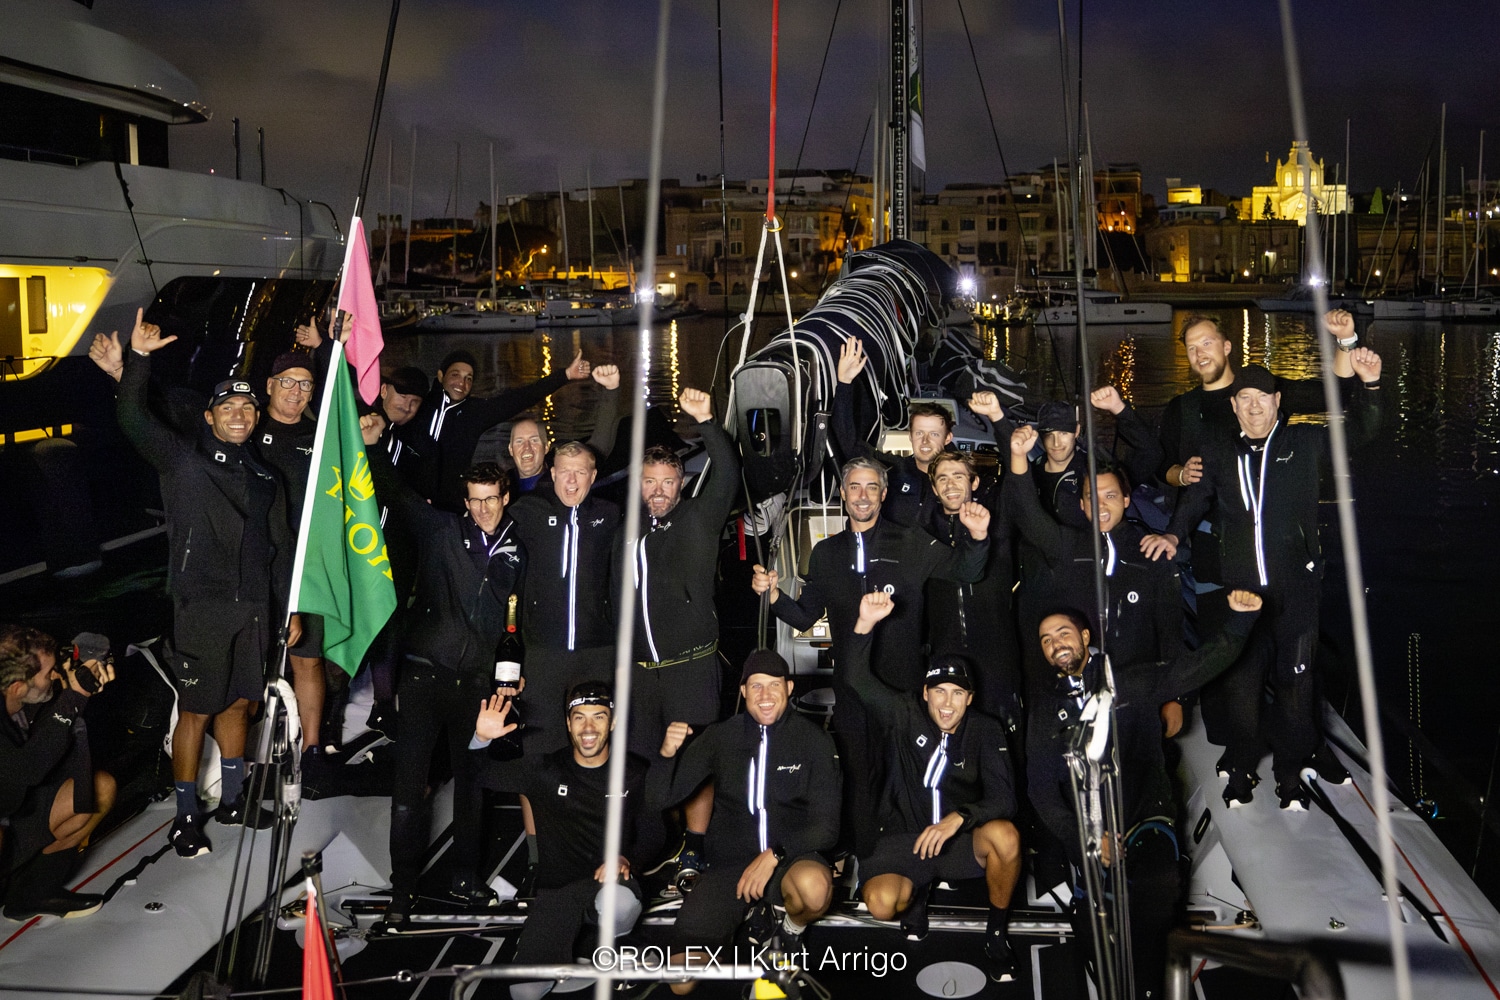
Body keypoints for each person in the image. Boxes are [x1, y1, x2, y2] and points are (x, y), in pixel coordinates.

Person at [1144, 351, 1384, 809]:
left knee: (1296, 683)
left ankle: (1290, 774)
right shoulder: (1217, 449)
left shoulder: (1304, 441)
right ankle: (1241, 765)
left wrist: (1370, 386)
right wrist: (1173, 534)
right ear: (1234, 406)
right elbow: (1196, 499)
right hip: (1242, 594)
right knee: (1242, 684)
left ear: (1277, 401)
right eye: (1245, 399)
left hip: (1297, 592)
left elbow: (1362, 431)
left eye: (1262, 398)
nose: (1254, 406)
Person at [101, 312, 294, 858]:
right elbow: (134, 419)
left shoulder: (265, 475)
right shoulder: (183, 461)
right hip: (202, 607)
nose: (239, 414)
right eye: (228, 407)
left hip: (254, 607)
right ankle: (185, 817)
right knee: (197, 711)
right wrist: (138, 360)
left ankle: (233, 800)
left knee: (240, 706)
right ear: (210, 417)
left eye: (247, 407)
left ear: (256, 416)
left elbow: (280, 547)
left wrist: (290, 609)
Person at [751, 457, 989, 856]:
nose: (863, 496)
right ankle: (867, 861)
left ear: (884, 494)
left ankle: (916, 861)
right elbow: (804, 616)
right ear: (843, 494)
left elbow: (966, 570)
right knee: (859, 779)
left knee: (909, 776)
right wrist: (772, 595)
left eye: (872, 487)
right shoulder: (826, 553)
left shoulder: (910, 540)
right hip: (852, 689)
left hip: (904, 689)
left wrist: (978, 537)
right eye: (855, 487)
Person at [1033, 591, 1263, 998]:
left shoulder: (1132, 681)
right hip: (1089, 828)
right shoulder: (1044, 711)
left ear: (1085, 637)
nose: (1056, 644)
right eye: (1047, 640)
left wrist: (1239, 622)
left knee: (1156, 888)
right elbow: (1041, 789)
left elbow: (1202, 664)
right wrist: (1084, 838)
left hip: (1145, 816)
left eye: (1063, 633)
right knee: (1094, 936)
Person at [363, 413, 526, 926]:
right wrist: (374, 446)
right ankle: (402, 888)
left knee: (473, 785)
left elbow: (526, 620)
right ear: (465, 500)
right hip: (425, 678)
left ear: (505, 498)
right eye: (474, 500)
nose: (482, 509)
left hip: (479, 687)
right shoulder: (441, 531)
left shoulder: (521, 549)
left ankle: (465, 876)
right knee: (409, 787)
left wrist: (518, 673)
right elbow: (396, 493)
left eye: (491, 499)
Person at [847, 593, 1022, 982]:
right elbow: (857, 679)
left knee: (1006, 837)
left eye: (958, 693)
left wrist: (959, 818)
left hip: (957, 840)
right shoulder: (903, 714)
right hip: (904, 839)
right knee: (880, 904)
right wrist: (864, 624)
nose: (948, 703)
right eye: (939, 691)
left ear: (969, 699)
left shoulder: (985, 729)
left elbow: (1004, 799)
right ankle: (917, 894)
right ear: (925, 692)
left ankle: (996, 935)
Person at [657, 649, 841, 993]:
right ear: (743, 691)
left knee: (814, 889)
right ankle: (750, 914)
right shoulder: (719, 737)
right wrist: (666, 755)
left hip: (790, 859)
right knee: (679, 981)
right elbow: (661, 798)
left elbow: (828, 827)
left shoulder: (814, 740)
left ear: (789, 688)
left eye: (774, 685)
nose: (765, 695)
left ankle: (789, 931)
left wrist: (774, 855)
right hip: (729, 866)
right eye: (756, 686)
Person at [473, 681, 657, 1000]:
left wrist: (628, 859)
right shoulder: (545, 769)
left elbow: (655, 832)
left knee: (620, 904)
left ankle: (611, 944)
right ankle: (575, 946)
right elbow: (481, 776)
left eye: (599, 717)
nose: (589, 727)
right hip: (557, 891)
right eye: (579, 717)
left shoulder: (634, 772)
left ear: (613, 722)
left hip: (609, 884)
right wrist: (481, 739)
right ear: (568, 724)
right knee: (524, 992)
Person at [624, 388, 740, 881]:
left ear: (681, 483)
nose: (659, 490)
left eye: (668, 482)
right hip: (641, 674)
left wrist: (708, 422)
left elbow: (728, 474)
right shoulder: (628, 529)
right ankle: (657, 841)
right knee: (648, 761)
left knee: (695, 761)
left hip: (691, 667)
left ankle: (695, 847)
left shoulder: (698, 518)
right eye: (650, 481)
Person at [0, 627, 117, 920]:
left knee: (100, 788)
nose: (53, 675)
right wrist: (73, 699)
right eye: (48, 672)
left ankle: (32, 894)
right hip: (7, 814)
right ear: (17, 687)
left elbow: (54, 751)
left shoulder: (18, 702)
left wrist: (74, 695)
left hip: (14, 815)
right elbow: (28, 770)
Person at [412, 348, 593, 512]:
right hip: (412, 503)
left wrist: (565, 375)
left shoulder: (474, 413)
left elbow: (520, 398)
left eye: (469, 378)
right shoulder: (417, 405)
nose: (462, 382)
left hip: (449, 510)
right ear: (441, 375)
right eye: (455, 375)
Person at [255, 353, 328, 757]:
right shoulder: (246, 428)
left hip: (306, 564)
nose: (295, 391)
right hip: (254, 562)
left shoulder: (321, 437)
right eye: (287, 381)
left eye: (305, 384)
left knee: (307, 659)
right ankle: (246, 747)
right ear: (269, 385)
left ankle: (312, 747)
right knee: (252, 659)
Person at [920, 450, 1021, 728]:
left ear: (974, 482)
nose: (950, 484)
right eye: (942, 478)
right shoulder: (924, 533)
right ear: (934, 488)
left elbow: (1019, 485)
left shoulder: (999, 524)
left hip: (997, 657)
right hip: (946, 656)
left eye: (958, 476)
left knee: (1001, 732)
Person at [833, 336, 954, 525]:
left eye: (934, 434)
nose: (925, 441)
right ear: (910, 436)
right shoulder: (893, 470)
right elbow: (849, 443)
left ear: (948, 438)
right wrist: (844, 383)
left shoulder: (960, 479)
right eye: (919, 433)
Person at [506, 365, 622, 493]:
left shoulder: (564, 478)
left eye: (534, 440)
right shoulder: (503, 484)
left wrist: (611, 390)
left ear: (546, 447)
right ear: (510, 449)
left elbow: (599, 445)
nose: (527, 447)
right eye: (519, 441)